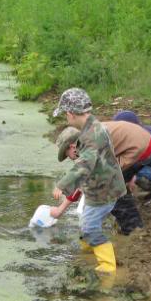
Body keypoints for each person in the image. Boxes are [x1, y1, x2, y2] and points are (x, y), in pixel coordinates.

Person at [50, 88, 126, 274]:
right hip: (105, 186)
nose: (66, 118)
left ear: (70, 113)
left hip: (103, 191)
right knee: (86, 221)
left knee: (90, 227)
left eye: (65, 115)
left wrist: (62, 184)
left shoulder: (90, 137)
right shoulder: (96, 126)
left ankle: (108, 266)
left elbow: (84, 167)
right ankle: (88, 250)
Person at [53, 119, 151, 235]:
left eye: (68, 155)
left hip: (142, 151)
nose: (72, 158)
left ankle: (134, 229)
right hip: (145, 143)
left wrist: (61, 209)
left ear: (72, 146)